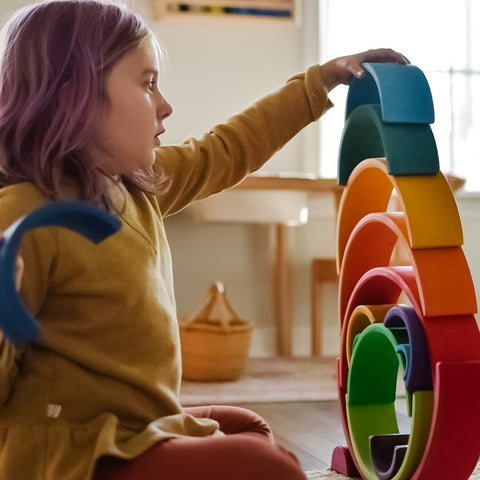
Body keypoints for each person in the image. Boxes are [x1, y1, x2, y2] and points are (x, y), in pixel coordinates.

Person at [0, 1, 408, 479]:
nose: (165, 104)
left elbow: (228, 148)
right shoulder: (24, 214)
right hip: (73, 454)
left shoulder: (137, 185)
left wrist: (318, 82)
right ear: (76, 96)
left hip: (139, 429)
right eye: (147, 83)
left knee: (246, 427)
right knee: (258, 464)